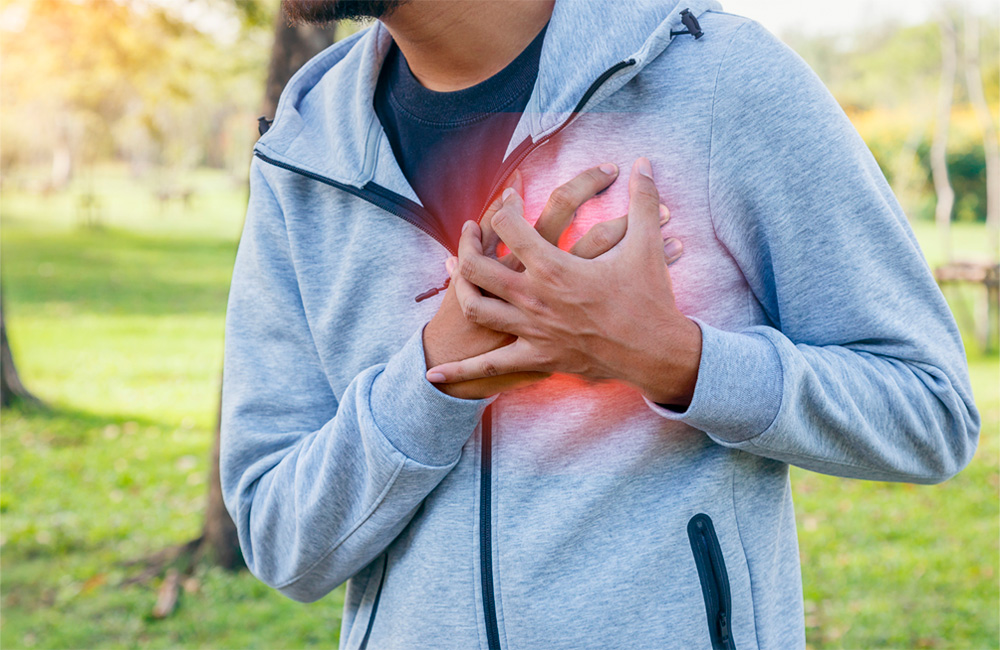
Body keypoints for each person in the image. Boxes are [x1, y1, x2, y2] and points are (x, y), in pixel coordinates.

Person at [219, 1, 982, 648]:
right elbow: (282, 542)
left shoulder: (721, 82)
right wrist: (435, 373)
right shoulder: (304, 153)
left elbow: (930, 411)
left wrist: (674, 360)